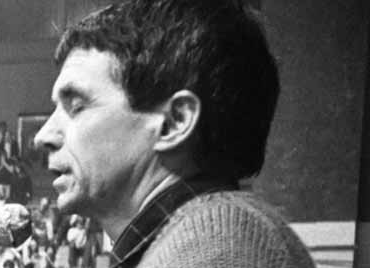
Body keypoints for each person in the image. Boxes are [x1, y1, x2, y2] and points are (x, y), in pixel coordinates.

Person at [35, 0, 311, 266]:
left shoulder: (219, 248)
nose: (43, 136)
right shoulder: (204, 239)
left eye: (77, 106)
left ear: (174, 122)